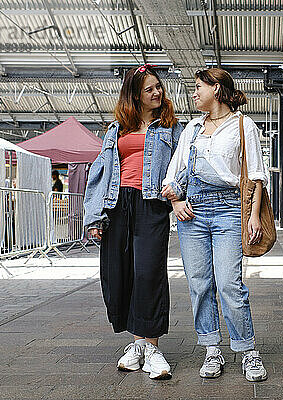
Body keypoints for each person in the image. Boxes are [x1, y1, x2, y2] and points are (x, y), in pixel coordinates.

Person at [161, 68, 268, 382]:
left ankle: (248, 352)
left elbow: (256, 176)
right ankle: (211, 350)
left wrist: (252, 216)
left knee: (229, 285)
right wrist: (176, 201)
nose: (194, 93)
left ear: (217, 88)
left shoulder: (242, 124)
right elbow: (173, 173)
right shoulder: (192, 128)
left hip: (228, 211)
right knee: (199, 284)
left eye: (198, 87)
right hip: (192, 213)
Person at [83, 64, 183, 380]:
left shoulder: (171, 128)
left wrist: (178, 194)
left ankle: (152, 347)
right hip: (116, 204)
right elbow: (100, 173)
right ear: (134, 95)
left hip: (151, 203)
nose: (157, 92)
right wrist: (95, 217)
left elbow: (183, 166)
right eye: (149, 89)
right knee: (117, 272)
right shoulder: (116, 129)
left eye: (158, 87)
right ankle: (137, 342)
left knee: (149, 271)